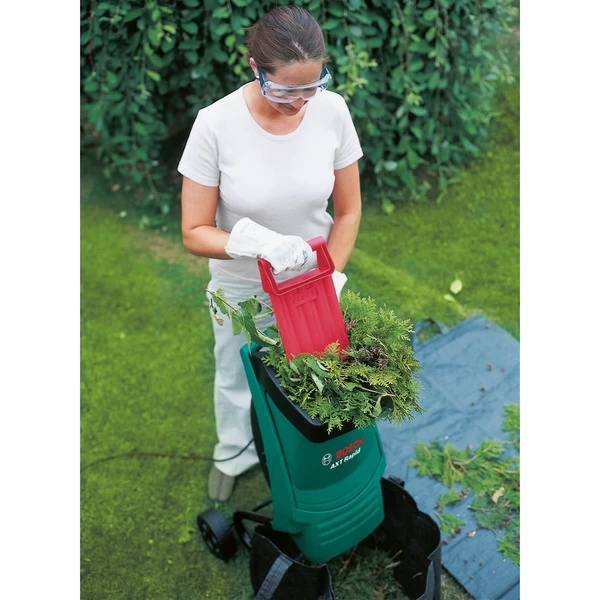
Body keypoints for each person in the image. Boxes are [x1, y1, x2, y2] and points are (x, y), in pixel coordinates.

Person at [178, 5, 363, 503]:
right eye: (284, 91)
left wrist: (330, 276)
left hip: (312, 286)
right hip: (242, 287)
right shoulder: (215, 125)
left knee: (312, 376)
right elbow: (194, 232)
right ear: (254, 67)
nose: (298, 103)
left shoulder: (333, 112)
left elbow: (348, 212)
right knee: (237, 379)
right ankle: (233, 454)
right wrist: (254, 243)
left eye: (311, 87)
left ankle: (300, 457)